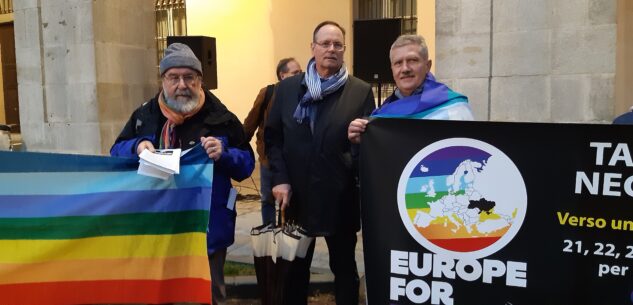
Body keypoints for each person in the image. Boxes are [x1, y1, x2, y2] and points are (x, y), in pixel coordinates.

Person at [110, 43, 254, 305]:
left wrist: (225, 153)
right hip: (158, 227)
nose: (181, 84)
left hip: (207, 228)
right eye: (173, 77)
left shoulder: (221, 118)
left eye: (189, 77)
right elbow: (116, 151)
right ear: (163, 80)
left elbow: (246, 165)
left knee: (210, 295)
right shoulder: (145, 116)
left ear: (200, 80)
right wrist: (137, 146)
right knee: (161, 294)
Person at [265, 21, 375, 305]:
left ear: (344, 50)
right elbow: (273, 138)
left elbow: (367, 147)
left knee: (344, 270)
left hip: (339, 197)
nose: (331, 49)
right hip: (297, 199)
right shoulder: (288, 89)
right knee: (295, 272)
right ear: (312, 47)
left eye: (338, 44)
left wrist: (358, 143)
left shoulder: (360, 91)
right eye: (325, 43)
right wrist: (279, 178)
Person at [348, 34, 474, 144]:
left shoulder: (455, 110)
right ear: (392, 69)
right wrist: (363, 141)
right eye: (398, 63)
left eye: (412, 60)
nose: (405, 69)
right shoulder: (381, 116)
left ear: (427, 66)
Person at [243, 57, 302, 225]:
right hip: (269, 157)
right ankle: (268, 233)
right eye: (295, 73)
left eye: (301, 72)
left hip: (293, 158)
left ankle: (287, 231)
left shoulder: (303, 93)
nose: (300, 76)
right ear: (282, 75)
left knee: (291, 199)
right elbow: (251, 121)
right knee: (267, 198)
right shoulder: (268, 93)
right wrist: (240, 144)